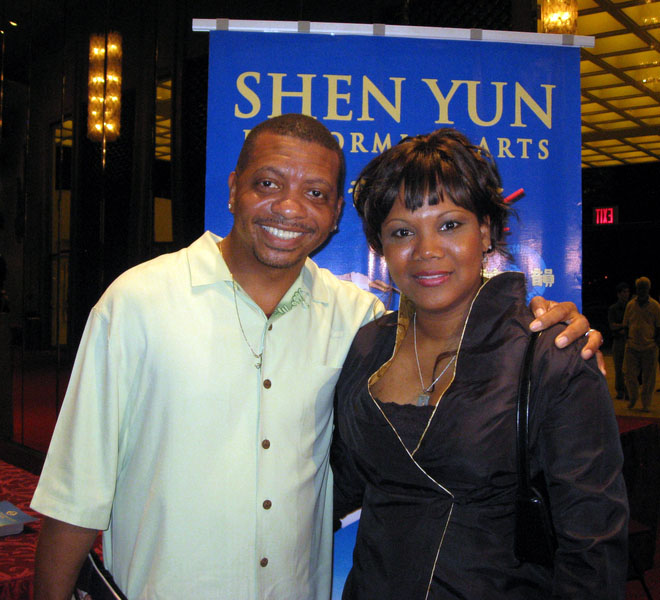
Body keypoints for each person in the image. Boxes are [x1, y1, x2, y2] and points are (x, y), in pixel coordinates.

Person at [31, 115, 601, 600]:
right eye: (267, 183)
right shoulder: (139, 302)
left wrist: (559, 331)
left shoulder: (356, 320)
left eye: (316, 193)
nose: (289, 207)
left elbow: (591, 539)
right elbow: (75, 491)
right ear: (233, 188)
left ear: (334, 215)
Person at [332, 128, 628, 599]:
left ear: (486, 231)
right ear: (380, 247)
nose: (427, 250)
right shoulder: (368, 346)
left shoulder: (551, 356)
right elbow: (334, 487)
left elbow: (594, 546)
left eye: (450, 225)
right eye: (402, 232)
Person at [623, 276, 660, 411]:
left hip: (649, 347)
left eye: (644, 288)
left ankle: (646, 403)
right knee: (629, 375)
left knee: (649, 378)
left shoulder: (655, 306)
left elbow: (658, 327)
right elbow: (626, 324)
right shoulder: (631, 305)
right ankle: (633, 397)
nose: (642, 290)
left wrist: (655, 342)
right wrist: (628, 339)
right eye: (639, 288)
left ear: (648, 289)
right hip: (632, 346)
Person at [608, 281, 630, 399]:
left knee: (629, 368)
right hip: (619, 341)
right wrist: (624, 326)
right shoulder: (614, 309)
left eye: (627, 292)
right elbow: (612, 325)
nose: (626, 294)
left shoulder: (631, 307)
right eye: (623, 292)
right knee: (619, 367)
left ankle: (628, 390)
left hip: (629, 340)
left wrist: (621, 327)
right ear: (618, 294)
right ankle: (620, 390)